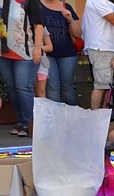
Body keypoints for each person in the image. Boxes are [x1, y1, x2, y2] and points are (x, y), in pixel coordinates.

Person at [0, 0, 43, 137]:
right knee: (12, 88)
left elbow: (39, 25)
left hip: (25, 51)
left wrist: (37, 48)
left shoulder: (29, 1)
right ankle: (20, 121)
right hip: (3, 52)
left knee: (23, 87)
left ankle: (29, 123)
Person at [40, 0, 82, 105]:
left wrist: (70, 19)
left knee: (68, 87)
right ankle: (55, 118)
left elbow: (78, 34)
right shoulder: (37, 6)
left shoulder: (66, 6)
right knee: (52, 87)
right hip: (46, 54)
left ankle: (71, 116)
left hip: (67, 54)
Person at [34, 28, 54, 98]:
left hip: (41, 64)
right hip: (22, 62)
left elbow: (50, 47)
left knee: (40, 93)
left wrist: (36, 49)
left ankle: (42, 109)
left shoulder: (41, 26)